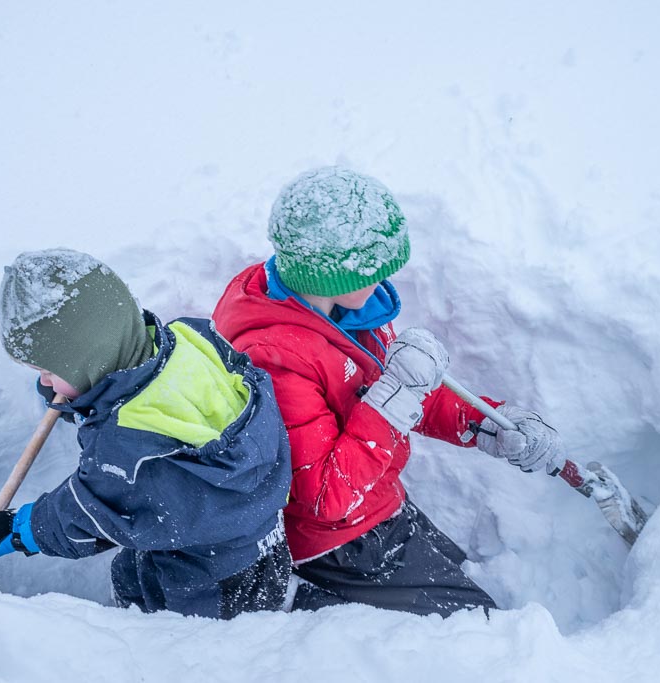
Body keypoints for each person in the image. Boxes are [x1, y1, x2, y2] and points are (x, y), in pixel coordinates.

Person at [211, 167, 566, 617]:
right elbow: (326, 497)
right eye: (370, 271)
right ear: (331, 274)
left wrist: (484, 426)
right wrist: (396, 392)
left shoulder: (341, 307)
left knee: (475, 588)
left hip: (378, 500)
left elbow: (394, 389)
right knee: (482, 632)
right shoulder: (276, 357)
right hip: (337, 542)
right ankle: (311, 604)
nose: (380, 281)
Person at [0, 248, 293, 619]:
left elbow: (91, 512)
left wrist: (16, 528)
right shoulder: (186, 341)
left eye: (49, 370)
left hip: (202, 585)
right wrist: (82, 390)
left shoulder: (131, 446)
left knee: (173, 638)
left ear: (88, 359)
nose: (44, 380)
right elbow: (131, 392)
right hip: (252, 537)